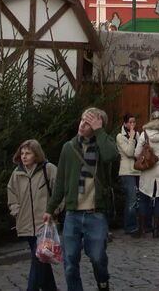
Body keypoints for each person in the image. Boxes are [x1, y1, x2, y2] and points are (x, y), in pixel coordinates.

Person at [44, 107, 117, 291]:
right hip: (73, 214)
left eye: (88, 122)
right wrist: (50, 209)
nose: (82, 125)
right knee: (69, 263)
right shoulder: (69, 148)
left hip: (96, 213)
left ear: (97, 126)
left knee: (98, 257)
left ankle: (103, 282)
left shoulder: (103, 144)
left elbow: (111, 155)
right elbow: (60, 181)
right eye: (82, 120)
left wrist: (100, 131)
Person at [8, 139, 58, 291]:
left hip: (45, 223)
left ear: (36, 154)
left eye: (28, 153)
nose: (24, 156)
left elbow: (60, 190)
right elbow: (11, 193)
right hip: (26, 224)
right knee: (41, 259)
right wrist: (16, 211)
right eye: (22, 153)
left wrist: (54, 210)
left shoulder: (48, 169)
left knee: (39, 259)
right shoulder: (17, 173)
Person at [134, 110, 159, 239]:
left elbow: (136, 153)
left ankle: (142, 229)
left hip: (148, 170)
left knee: (144, 198)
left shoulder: (144, 133)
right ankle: (156, 230)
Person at [115, 114, 140, 236]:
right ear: (125, 124)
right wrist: (131, 138)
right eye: (130, 122)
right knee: (131, 199)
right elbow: (129, 152)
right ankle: (129, 226)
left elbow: (139, 152)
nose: (132, 125)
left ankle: (136, 224)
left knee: (137, 199)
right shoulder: (120, 136)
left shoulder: (137, 134)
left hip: (138, 170)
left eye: (134, 122)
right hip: (127, 171)